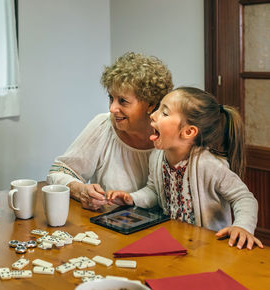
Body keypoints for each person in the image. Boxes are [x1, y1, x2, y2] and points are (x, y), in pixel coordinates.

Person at [107, 87, 263, 250]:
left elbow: (244, 198)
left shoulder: (210, 165)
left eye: (164, 113)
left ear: (188, 131)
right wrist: (131, 198)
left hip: (210, 249)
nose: (153, 115)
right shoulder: (157, 157)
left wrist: (242, 227)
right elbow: (154, 191)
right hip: (174, 242)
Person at [47, 52, 173, 211]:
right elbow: (57, 172)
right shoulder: (103, 126)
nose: (112, 108)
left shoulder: (170, 137)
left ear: (151, 104)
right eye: (111, 98)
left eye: (123, 101)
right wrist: (81, 190)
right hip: (111, 229)